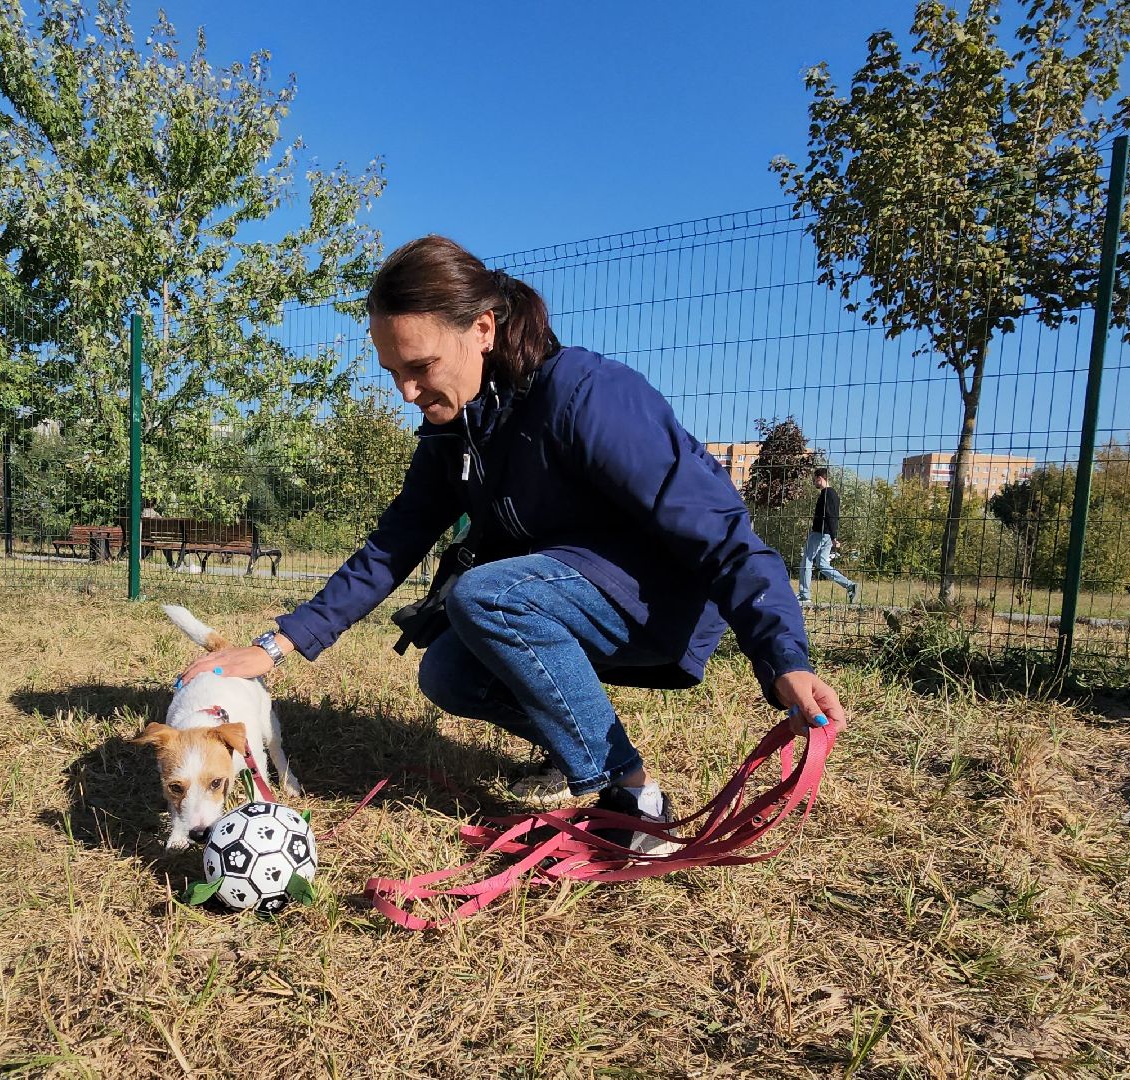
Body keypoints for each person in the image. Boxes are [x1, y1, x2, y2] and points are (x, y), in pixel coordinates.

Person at [176, 235, 846, 853]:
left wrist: (781, 654)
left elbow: (725, 531)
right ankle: (575, 750)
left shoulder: (588, 396)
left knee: (487, 596)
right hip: (549, 597)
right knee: (448, 671)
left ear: (482, 329)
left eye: (419, 366)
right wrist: (277, 644)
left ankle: (633, 801)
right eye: (390, 371)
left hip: (654, 604)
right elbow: (394, 542)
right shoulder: (454, 429)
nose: (406, 391)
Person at [798, 467, 858, 604]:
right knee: (822, 564)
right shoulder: (834, 494)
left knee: (806, 561)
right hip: (827, 535)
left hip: (820, 533)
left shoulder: (826, 494)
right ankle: (850, 585)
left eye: (815, 480)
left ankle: (804, 595)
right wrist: (833, 536)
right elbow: (835, 517)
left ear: (820, 478)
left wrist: (834, 537)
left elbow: (830, 516)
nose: (814, 483)